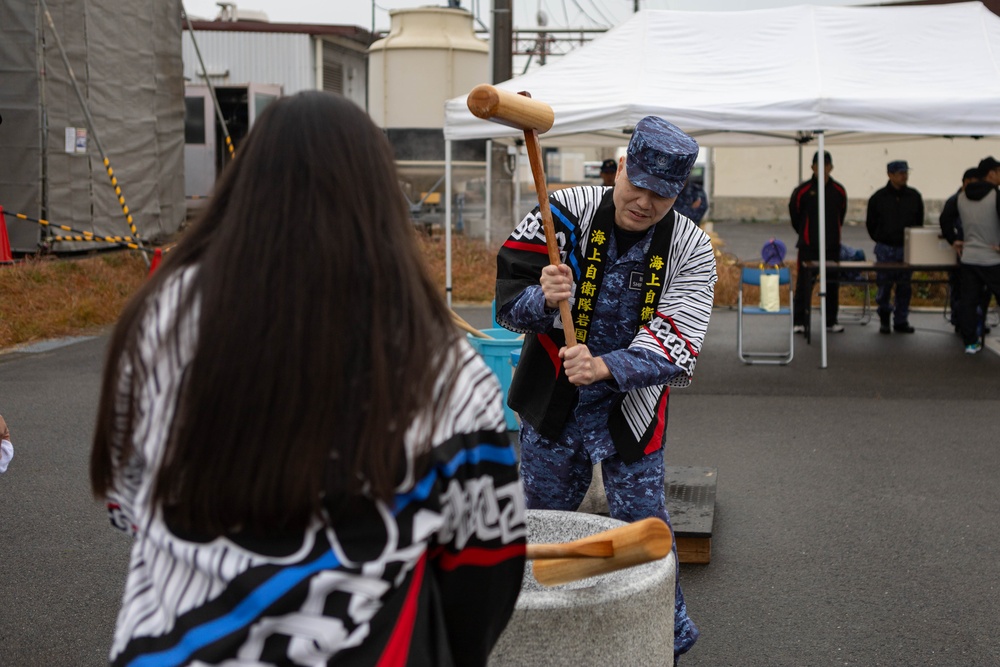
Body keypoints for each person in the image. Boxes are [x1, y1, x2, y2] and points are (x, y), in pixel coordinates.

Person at [90, 91, 526, 666]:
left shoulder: (160, 316)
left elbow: (127, 500)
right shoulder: (442, 364)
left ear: (244, 185)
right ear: (380, 200)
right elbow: (484, 562)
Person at [496, 115, 716, 661]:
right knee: (541, 519)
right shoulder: (560, 213)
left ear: (679, 194)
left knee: (644, 529)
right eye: (636, 185)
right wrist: (543, 300)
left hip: (632, 405)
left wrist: (605, 368)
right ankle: (525, 636)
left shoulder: (692, 249)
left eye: (661, 196)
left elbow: (678, 343)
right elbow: (506, 306)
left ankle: (658, 641)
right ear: (620, 167)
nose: (644, 202)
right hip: (553, 398)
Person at [789, 150, 848, 333]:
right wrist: (806, 234)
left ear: (831, 167)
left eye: (826, 165)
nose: (822, 168)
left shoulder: (839, 191)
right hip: (809, 247)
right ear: (812, 167)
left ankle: (831, 321)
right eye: (818, 165)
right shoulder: (803, 191)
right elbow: (795, 214)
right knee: (804, 285)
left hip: (832, 247)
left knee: (831, 284)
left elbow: (842, 215)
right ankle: (799, 321)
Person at [865, 160, 925, 334]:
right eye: (900, 173)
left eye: (905, 173)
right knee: (884, 285)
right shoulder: (878, 198)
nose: (904, 176)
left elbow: (918, 221)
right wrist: (880, 237)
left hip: (906, 247)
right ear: (890, 175)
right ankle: (884, 318)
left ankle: (901, 319)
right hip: (886, 248)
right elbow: (871, 223)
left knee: (904, 286)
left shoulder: (914, 196)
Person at [956, 156, 1000, 354]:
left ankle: (970, 342)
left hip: (969, 257)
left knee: (968, 301)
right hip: (992, 257)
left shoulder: (961, 196)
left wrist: (952, 239)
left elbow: (945, 217)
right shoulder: (995, 196)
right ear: (991, 173)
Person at [940, 167, 991, 332]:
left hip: (982, 253)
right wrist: (954, 240)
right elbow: (945, 221)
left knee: (980, 292)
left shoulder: (984, 199)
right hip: (962, 253)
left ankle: (977, 323)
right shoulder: (956, 200)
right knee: (961, 291)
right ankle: (961, 322)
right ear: (966, 182)